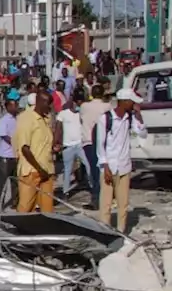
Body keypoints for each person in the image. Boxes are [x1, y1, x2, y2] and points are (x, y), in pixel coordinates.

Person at [96, 88, 146, 232]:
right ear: (125, 102)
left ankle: (121, 231)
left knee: (123, 203)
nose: (134, 105)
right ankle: (104, 230)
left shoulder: (129, 117)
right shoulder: (105, 118)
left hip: (124, 166)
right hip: (109, 166)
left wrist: (138, 114)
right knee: (106, 203)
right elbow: (100, 144)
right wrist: (105, 166)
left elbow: (142, 133)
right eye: (132, 102)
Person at [13, 90, 56, 213]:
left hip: (47, 171)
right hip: (32, 171)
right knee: (26, 208)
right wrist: (39, 169)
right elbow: (24, 148)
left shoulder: (45, 119)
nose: (50, 107)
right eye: (48, 103)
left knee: (47, 210)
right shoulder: (26, 118)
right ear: (39, 102)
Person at [79, 84, 111, 209]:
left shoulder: (84, 106)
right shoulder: (107, 106)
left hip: (88, 142)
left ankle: (97, 198)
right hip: (102, 141)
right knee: (102, 170)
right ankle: (102, 197)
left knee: (94, 171)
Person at [56, 94, 88, 197]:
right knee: (67, 169)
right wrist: (57, 142)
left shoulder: (82, 114)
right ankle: (66, 191)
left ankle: (93, 186)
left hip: (80, 145)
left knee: (88, 165)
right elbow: (58, 129)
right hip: (67, 146)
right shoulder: (63, 114)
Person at [0, 97, 20, 210]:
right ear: (8, 107)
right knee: (2, 184)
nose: (16, 107)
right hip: (6, 156)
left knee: (15, 182)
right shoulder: (4, 120)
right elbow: (4, 136)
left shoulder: (18, 119)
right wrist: (16, 143)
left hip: (15, 155)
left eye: (16, 105)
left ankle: (15, 202)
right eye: (14, 105)